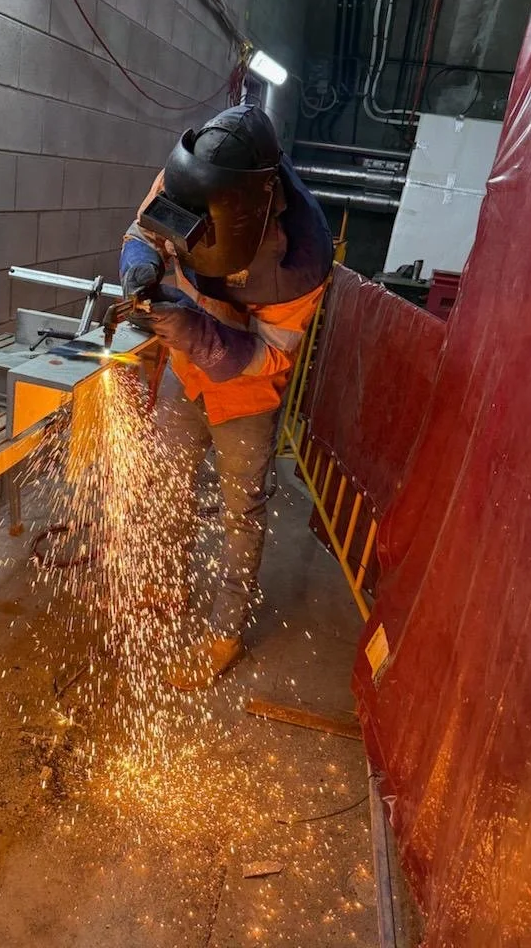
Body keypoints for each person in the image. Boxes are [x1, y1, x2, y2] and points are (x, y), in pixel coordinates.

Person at [119, 104, 333, 690]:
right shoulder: (188, 177)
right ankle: (165, 584)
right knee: (168, 481)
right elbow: (143, 233)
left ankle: (226, 632)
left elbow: (272, 354)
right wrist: (139, 269)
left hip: (247, 393)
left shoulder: (301, 258)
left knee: (241, 512)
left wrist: (206, 336)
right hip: (183, 369)